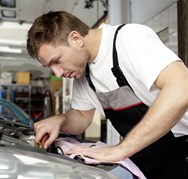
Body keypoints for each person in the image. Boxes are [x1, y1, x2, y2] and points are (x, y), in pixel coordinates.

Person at [26, 11, 188, 179]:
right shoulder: (84, 71)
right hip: (148, 156)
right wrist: (59, 120)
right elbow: (82, 117)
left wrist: (120, 149)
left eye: (57, 61)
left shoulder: (128, 39)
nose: (57, 73)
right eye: (50, 67)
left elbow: (182, 87)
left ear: (76, 39)